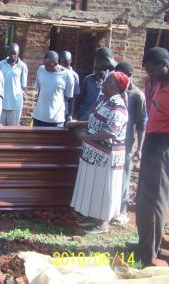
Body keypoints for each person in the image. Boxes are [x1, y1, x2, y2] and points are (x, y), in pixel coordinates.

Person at [67, 71, 129, 234]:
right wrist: (77, 124)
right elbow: (94, 119)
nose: (104, 82)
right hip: (95, 153)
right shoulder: (105, 101)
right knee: (94, 186)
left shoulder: (118, 106)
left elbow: (111, 132)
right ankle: (92, 217)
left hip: (107, 156)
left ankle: (102, 223)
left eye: (108, 80)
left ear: (116, 87)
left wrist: (86, 137)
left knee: (103, 188)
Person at [128, 47, 169, 266]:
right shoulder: (154, 82)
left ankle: (150, 251)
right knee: (144, 197)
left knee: (155, 200)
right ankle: (144, 242)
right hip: (152, 141)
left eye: (152, 70)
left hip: (164, 144)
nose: (149, 74)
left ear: (165, 63)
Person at [111, 61, 147, 226]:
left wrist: (139, 149)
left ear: (129, 76)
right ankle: (110, 209)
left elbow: (141, 125)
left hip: (127, 143)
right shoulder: (116, 91)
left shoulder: (137, 96)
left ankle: (123, 211)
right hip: (112, 141)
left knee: (124, 177)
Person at [32, 51, 74, 127]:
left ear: (55, 63)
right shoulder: (41, 69)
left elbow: (67, 97)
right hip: (38, 117)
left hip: (56, 120)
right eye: (44, 64)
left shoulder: (67, 75)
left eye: (47, 65)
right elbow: (39, 90)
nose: (45, 67)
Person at [0, 43, 28, 126]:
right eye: (11, 53)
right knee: (0, 129)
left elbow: (23, 85)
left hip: (15, 103)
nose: (12, 56)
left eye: (15, 53)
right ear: (8, 52)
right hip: (2, 101)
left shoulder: (22, 66)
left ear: (18, 53)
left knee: (12, 129)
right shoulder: (1, 64)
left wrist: (21, 92)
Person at [60, 51, 80, 122]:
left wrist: (70, 114)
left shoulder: (74, 75)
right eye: (62, 62)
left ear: (71, 61)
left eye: (66, 62)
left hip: (66, 109)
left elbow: (74, 97)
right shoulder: (57, 72)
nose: (64, 64)